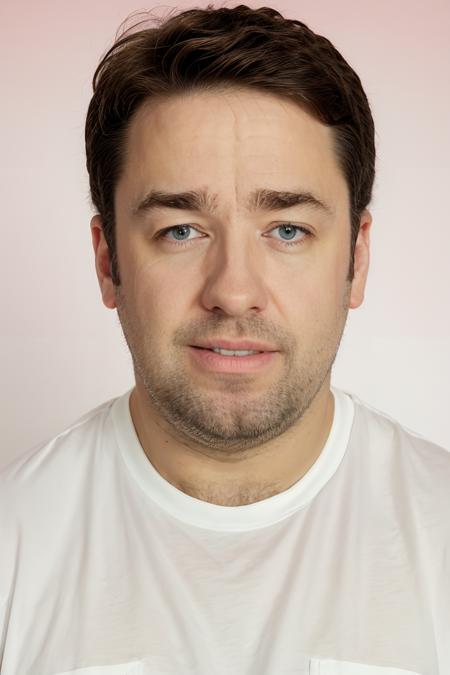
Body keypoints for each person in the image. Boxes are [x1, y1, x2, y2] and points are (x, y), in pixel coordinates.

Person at [1, 4, 449, 674]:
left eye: (288, 229)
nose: (234, 290)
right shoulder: (12, 549)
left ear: (356, 259)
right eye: (181, 230)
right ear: (107, 261)